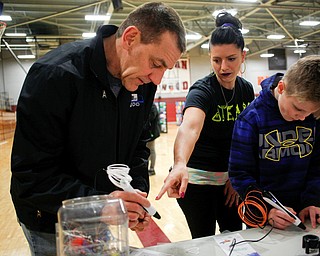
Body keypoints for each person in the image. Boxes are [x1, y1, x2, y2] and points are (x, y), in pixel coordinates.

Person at [10, 2, 186, 255]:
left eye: (164, 69)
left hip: (101, 213)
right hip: (51, 222)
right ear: (130, 38)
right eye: (156, 64)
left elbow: (137, 145)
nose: (157, 79)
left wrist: (136, 197)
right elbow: (32, 177)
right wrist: (101, 205)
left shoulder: (142, 80)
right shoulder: (54, 75)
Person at [156, 12, 255, 238]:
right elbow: (190, 128)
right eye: (216, 60)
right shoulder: (203, 90)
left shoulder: (246, 90)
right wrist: (179, 163)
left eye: (231, 59)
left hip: (230, 183)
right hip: (197, 183)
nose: (223, 67)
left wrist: (238, 175)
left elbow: (246, 137)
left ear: (243, 56)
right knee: (205, 241)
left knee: (234, 237)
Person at [229, 55, 320, 231]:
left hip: (306, 216)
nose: (302, 118)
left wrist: (312, 201)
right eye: (298, 109)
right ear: (281, 87)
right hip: (265, 220)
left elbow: (317, 165)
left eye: (309, 113)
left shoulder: (312, 116)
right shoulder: (251, 118)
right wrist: (267, 210)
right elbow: (240, 174)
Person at [147, 103, 161, 176]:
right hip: (150, 132)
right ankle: (149, 168)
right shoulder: (151, 106)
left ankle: (152, 169)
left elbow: (150, 118)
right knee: (149, 150)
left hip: (152, 133)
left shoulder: (152, 106)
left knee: (151, 150)